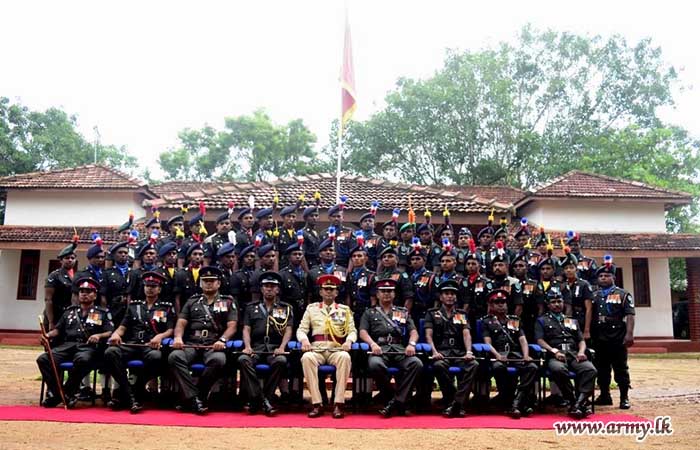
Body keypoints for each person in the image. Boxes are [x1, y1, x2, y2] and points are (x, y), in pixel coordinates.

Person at [168, 266, 238, 414]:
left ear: (219, 283)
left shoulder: (227, 301)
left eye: (212, 281)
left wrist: (222, 340)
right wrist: (178, 337)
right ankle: (196, 398)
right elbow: (181, 322)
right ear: (200, 283)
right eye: (205, 281)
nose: (208, 283)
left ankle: (194, 396)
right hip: (193, 342)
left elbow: (232, 326)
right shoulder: (192, 301)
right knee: (175, 356)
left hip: (214, 343)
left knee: (218, 360)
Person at [37, 277, 114, 408]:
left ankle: (66, 392)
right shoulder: (70, 311)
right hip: (67, 346)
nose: (84, 294)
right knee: (43, 359)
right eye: (82, 291)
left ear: (95, 295)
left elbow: (110, 331)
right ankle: (59, 394)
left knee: (82, 360)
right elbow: (58, 330)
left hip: (87, 347)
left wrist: (98, 335)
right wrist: (47, 335)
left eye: (88, 291)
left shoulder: (101, 313)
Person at [104, 271, 174, 412]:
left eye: (153, 286)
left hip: (151, 344)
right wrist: (116, 335)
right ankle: (131, 393)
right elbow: (122, 327)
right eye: (147, 286)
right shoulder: (134, 306)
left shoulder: (165, 307)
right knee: (110, 352)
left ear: (159, 289)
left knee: (156, 357)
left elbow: (170, 330)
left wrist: (160, 336)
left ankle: (130, 392)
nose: (150, 289)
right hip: (133, 343)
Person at [359, 278, 423, 417]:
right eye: (383, 291)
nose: (386, 294)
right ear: (377, 294)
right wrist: (372, 344)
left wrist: (411, 344)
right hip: (380, 349)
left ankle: (394, 402)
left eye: (389, 291)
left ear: (394, 294)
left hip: (399, 349)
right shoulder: (370, 312)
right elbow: (363, 331)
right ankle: (395, 398)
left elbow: (414, 332)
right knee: (375, 365)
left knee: (416, 363)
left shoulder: (403, 312)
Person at [296, 274, 356, 419]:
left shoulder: (344, 310)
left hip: (337, 348)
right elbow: (301, 329)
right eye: (326, 289)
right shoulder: (312, 309)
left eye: (332, 289)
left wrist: (348, 341)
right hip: (317, 348)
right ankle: (317, 403)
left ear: (336, 293)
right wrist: (304, 340)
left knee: (345, 357)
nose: (329, 292)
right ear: (320, 292)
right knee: (307, 358)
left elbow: (352, 331)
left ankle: (338, 404)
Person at [535, 290, 597, 419]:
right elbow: (540, 340)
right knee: (558, 370)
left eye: (559, 301)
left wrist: (581, 352)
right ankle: (574, 401)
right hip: (555, 356)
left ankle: (578, 404)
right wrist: (554, 351)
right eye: (553, 302)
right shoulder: (542, 320)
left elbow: (581, 340)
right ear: (548, 304)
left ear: (563, 303)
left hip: (573, 355)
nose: (557, 304)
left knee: (590, 370)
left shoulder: (571, 321)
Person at [238, 272, 293, 416]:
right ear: (261, 289)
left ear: (278, 289)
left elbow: (288, 330)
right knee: (243, 359)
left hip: (275, 348)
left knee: (281, 361)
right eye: (266, 286)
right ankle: (264, 400)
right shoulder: (251, 307)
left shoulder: (286, 308)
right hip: (256, 347)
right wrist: (247, 346)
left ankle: (259, 400)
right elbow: (246, 329)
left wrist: (282, 347)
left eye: (272, 286)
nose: (269, 289)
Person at [424, 279, 478, 417]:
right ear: (441, 297)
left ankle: (455, 404)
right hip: (441, 352)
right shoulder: (432, 313)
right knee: (439, 365)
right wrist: (434, 352)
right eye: (446, 293)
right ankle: (456, 402)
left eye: (453, 294)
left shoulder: (461, 314)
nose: (450, 296)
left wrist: (469, 352)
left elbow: (466, 334)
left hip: (459, 352)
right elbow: (428, 335)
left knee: (473, 364)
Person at [481, 289, 538, 418]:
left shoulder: (514, 320)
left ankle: (517, 401)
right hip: (498, 355)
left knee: (532, 367)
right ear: (491, 305)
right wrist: (497, 356)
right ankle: (513, 402)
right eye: (497, 302)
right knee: (498, 367)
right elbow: (487, 343)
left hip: (515, 355)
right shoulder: (487, 322)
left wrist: (526, 355)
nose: (501, 305)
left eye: (503, 302)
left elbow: (523, 340)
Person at [591, 256, 635, 409]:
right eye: (601, 276)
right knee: (601, 368)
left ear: (613, 278)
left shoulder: (623, 294)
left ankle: (624, 398)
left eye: (606, 275)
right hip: (599, 336)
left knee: (620, 368)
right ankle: (605, 395)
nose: (603, 278)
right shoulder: (594, 295)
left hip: (617, 336)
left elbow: (630, 315)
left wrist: (629, 334)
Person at [44, 240, 77, 330]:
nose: (70, 260)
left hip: (68, 316)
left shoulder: (76, 276)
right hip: (56, 315)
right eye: (67, 258)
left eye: (72, 258)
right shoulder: (54, 276)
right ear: (61, 260)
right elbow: (48, 299)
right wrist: (51, 321)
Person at [279, 243, 311, 327]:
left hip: (303, 311)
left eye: (300, 254)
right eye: (295, 254)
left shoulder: (306, 274)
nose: (297, 256)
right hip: (288, 310)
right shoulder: (283, 274)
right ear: (289, 257)